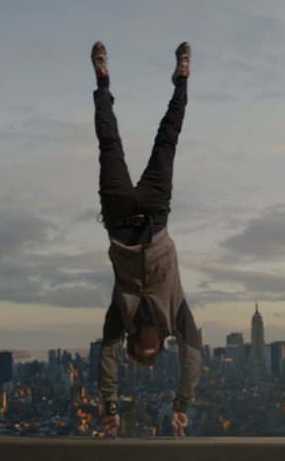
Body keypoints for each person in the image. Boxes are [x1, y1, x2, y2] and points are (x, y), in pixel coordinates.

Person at [91, 41, 201, 439]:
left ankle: (103, 80)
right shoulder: (176, 317)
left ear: (133, 346)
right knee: (167, 139)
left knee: (109, 142)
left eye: (141, 350)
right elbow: (192, 357)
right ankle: (182, 79)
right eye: (153, 350)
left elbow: (106, 355)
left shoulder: (120, 319)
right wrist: (181, 405)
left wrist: (110, 407)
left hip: (119, 216)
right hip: (155, 215)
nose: (149, 345)